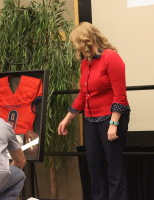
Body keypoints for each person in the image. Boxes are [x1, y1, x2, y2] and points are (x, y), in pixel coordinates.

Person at [58, 22, 130, 200]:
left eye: (79, 44)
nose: (79, 49)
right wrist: (68, 118)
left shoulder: (111, 58)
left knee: (114, 167)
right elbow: (84, 95)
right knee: (94, 167)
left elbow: (119, 94)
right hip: (91, 119)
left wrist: (113, 124)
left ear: (89, 40)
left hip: (111, 118)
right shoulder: (85, 64)